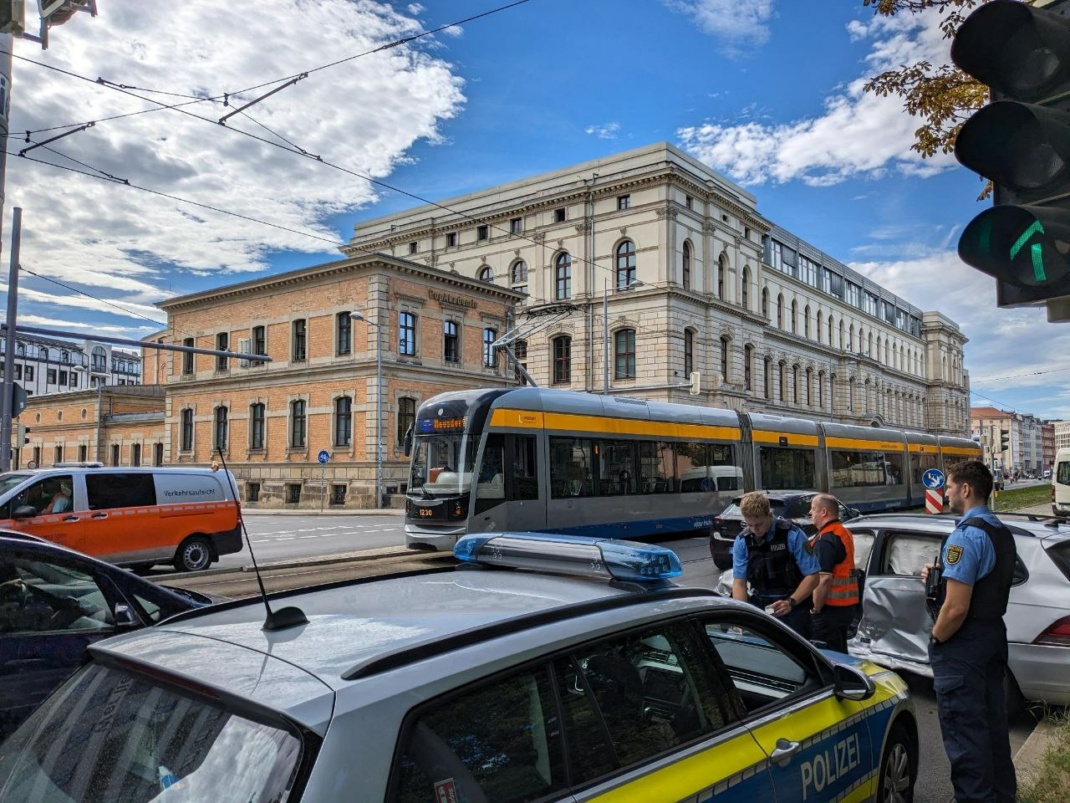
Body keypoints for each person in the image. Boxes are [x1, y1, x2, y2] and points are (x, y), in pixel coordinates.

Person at [922, 460, 1017, 803]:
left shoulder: (966, 535)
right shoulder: (1000, 531)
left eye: (948, 487)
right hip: (993, 637)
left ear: (965, 489)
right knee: (993, 732)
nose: (945, 493)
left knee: (966, 740)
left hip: (965, 648)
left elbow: (957, 607)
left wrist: (937, 637)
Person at [731, 491, 821, 637]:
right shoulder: (742, 541)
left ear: (769, 515)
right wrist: (742, 617)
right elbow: (739, 583)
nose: (755, 530)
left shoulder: (793, 534)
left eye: (759, 524)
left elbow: (813, 576)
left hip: (793, 606)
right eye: (749, 525)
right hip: (762, 606)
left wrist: (790, 602)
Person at [806, 494, 859, 653]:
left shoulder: (825, 539)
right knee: (840, 650)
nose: (810, 513)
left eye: (813, 509)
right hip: (846, 606)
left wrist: (815, 609)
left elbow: (823, 579)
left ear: (823, 512)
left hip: (829, 608)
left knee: (826, 654)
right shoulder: (842, 532)